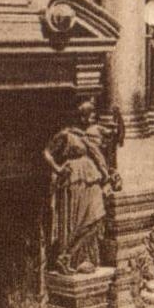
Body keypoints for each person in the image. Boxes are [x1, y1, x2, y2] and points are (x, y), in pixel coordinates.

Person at [43, 100, 117, 274]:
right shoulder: (66, 134)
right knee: (78, 220)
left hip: (90, 178)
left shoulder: (88, 135)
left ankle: (69, 256)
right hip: (74, 178)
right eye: (90, 114)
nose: (93, 117)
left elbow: (110, 142)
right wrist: (58, 169)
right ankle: (69, 258)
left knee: (97, 218)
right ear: (82, 116)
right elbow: (46, 153)